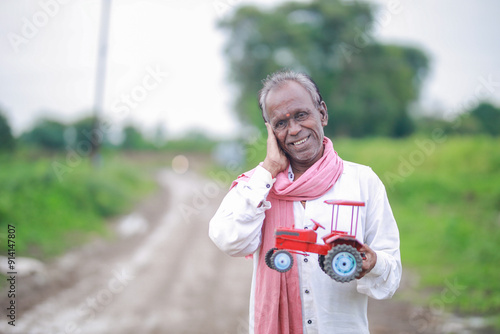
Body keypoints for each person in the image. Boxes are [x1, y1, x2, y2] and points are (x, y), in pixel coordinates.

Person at [209, 70, 401, 334]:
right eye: (280, 123)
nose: (294, 129)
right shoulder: (257, 185)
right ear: (270, 131)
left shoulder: (362, 181)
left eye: (301, 115)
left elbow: (391, 278)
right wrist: (269, 169)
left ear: (322, 112)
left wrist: (373, 263)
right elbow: (228, 238)